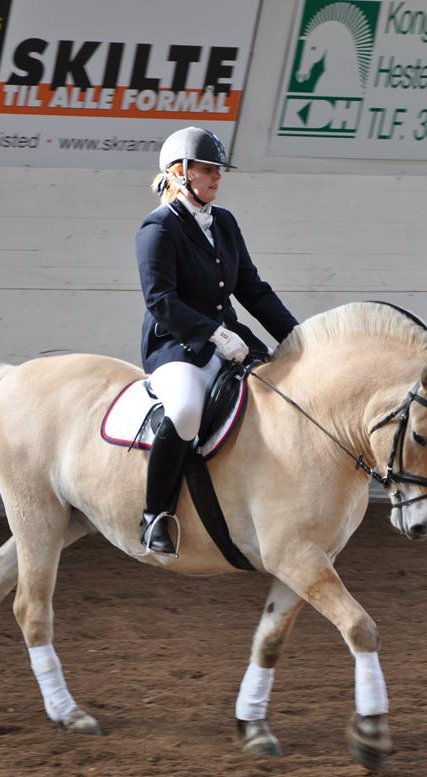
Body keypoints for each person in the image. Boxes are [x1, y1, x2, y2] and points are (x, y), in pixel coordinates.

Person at [135, 126, 298, 557]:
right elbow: (161, 302)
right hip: (177, 345)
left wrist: (297, 336)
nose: (216, 178)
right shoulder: (158, 229)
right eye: (208, 170)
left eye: (218, 171)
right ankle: (154, 514)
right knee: (187, 411)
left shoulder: (223, 222)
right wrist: (212, 333)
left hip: (231, 338)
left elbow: (252, 288)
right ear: (180, 172)